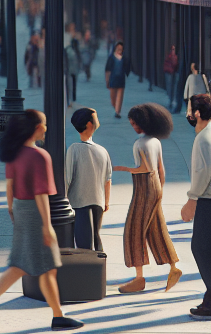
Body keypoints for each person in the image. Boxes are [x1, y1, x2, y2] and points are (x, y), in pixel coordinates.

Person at [0, 110, 83, 334]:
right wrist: (47, 225)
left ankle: (56, 315)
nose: (46, 128)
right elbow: (41, 194)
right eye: (44, 124)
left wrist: (12, 210)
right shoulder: (39, 156)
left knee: (25, 265)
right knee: (41, 265)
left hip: (20, 208)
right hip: (34, 211)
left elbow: (9, 186)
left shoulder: (14, 153)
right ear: (35, 128)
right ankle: (57, 317)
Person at [113, 102, 182, 293]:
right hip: (156, 188)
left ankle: (139, 278)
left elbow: (145, 169)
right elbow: (160, 169)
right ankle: (174, 268)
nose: (134, 127)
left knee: (133, 231)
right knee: (156, 230)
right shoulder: (155, 141)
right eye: (132, 123)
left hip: (144, 189)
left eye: (135, 123)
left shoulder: (140, 143)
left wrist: (123, 169)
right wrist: (160, 192)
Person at [181, 93, 211, 320]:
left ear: (198, 113)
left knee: (200, 248)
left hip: (207, 201)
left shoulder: (203, 139)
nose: (188, 114)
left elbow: (202, 174)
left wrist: (192, 200)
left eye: (190, 109)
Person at [66, 107, 112, 251]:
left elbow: (67, 177)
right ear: (89, 124)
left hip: (79, 202)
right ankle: (98, 267)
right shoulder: (102, 151)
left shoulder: (74, 149)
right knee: (96, 237)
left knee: (83, 242)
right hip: (98, 201)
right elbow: (107, 179)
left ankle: (89, 270)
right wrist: (106, 202)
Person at [105, 41, 131, 118]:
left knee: (120, 97)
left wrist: (127, 73)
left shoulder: (124, 59)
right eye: (118, 48)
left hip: (121, 79)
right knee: (113, 98)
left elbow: (127, 67)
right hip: (113, 79)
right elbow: (108, 69)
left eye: (121, 49)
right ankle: (116, 108)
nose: (120, 50)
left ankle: (117, 112)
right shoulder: (111, 58)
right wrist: (107, 80)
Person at [164, 45, 181, 113]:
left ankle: (172, 102)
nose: (172, 50)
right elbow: (173, 63)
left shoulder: (170, 56)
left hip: (171, 72)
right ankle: (172, 102)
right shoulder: (171, 56)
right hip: (171, 72)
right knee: (172, 88)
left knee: (172, 88)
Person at [65, 42, 80, 107]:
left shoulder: (69, 51)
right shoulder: (73, 52)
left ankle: (71, 99)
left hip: (70, 71)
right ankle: (72, 99)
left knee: (70, 86)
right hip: (72, 71)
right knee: (72, 86)